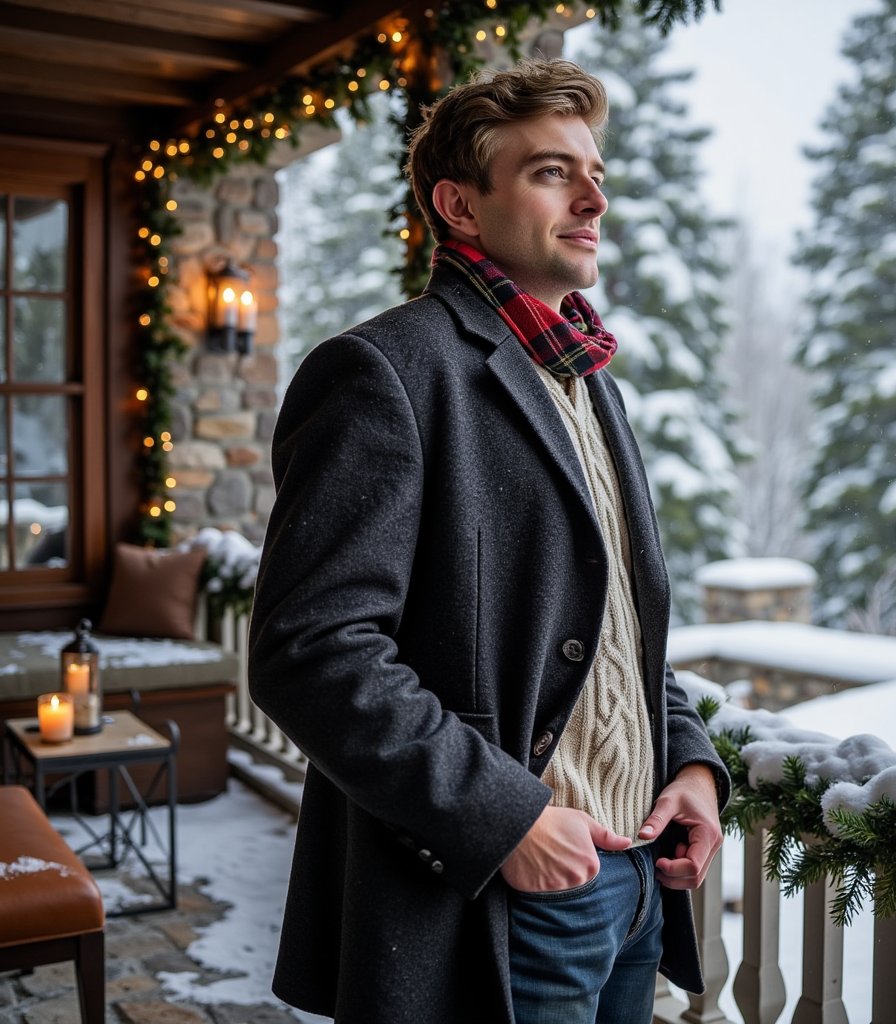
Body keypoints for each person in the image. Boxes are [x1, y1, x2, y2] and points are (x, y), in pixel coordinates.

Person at [248, 57, 730, 1024]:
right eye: (553, 172)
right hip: (500, 894)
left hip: (634, 883)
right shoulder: (383, 372)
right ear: (460, 206)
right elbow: (312, 652)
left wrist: (687, 764)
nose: (595, 196)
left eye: (594, 172)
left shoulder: (590, 381)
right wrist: (503, 818)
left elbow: (615, 626)